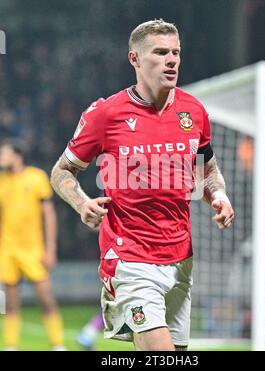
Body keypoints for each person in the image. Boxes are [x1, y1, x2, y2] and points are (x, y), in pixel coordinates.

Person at [50, 19, 234, 351]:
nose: (172, 60)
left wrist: (218, 194)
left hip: (180, 258)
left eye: (176, 52)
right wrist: (82, 204)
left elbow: (207, 171)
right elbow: (62, 171)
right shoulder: (106, 114)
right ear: (135, 59)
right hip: (130, 257)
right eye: (160, 52)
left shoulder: (193, 112)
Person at [0, 139, 65, 351]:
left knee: (46, 298)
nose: (1, 158)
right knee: (10, 301)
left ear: (17, 156)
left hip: (33, 248)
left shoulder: (36, 177)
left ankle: (57, 344)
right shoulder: (1, 181)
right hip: (7, 249)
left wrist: (50, 248)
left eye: (4, 154)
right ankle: (11, 346)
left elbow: (49, 215)